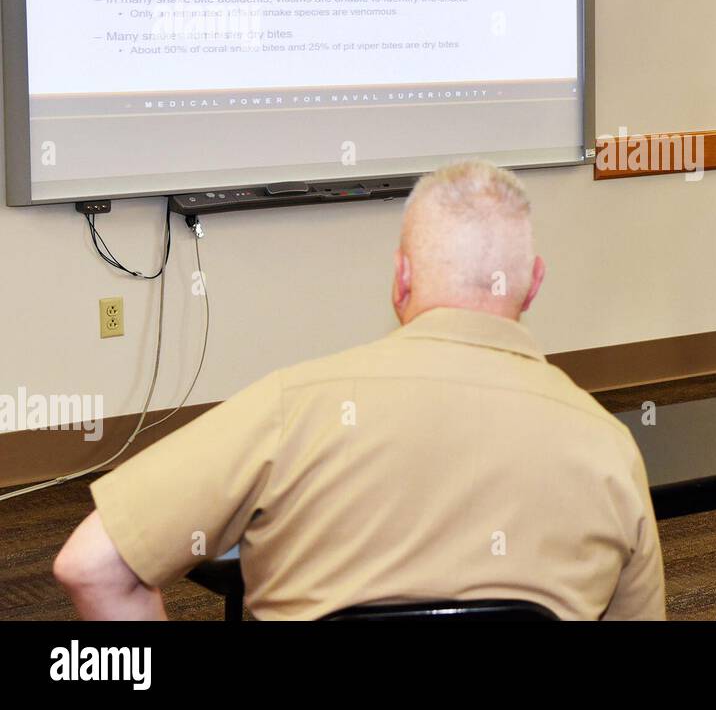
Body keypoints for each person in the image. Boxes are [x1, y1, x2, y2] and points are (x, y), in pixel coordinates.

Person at [54, 160, 666, 621]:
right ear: (533, 285)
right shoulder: (609, 450)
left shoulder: (292, 409)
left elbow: (90, 567)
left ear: (400, 278)